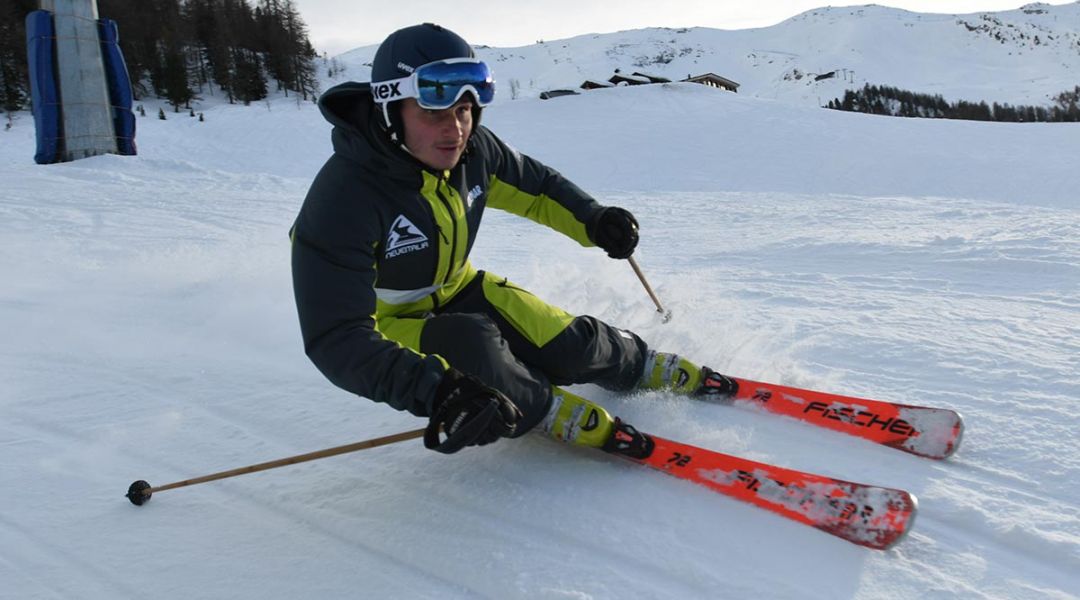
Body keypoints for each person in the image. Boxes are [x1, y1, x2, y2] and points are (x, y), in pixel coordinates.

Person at [290, 23, 731, 457]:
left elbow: (537, 189)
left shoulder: (473, 153)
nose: (455, 130)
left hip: (459, 286)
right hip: (388, 323)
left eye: (464, 111)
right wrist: (438, 391)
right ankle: (546, 410)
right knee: (475, 345)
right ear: (390, 111)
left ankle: (642, 363)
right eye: (433, 114)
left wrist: (594, 220)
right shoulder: (342, 200)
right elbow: (338, 339)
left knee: (567, 342)